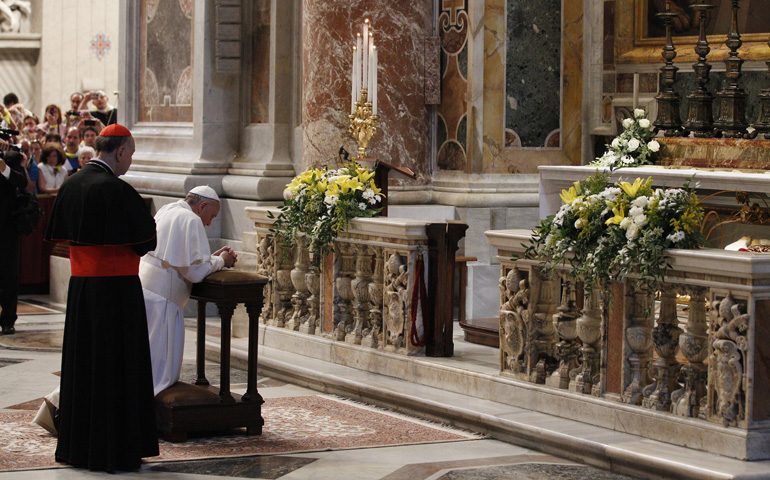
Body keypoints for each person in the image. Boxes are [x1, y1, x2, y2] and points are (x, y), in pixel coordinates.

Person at [44, 123, 159, 471]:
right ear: (120, 151)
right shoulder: (118, 190)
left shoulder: (71, 183)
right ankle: (113, 450)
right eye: (132, 154)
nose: (131, 161)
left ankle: (78, 447)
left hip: (81, 292)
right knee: (115, 370)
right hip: (117, 293)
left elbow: (60, 238)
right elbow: (146, 241)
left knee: (84, 368)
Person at [140, 186, 237, 395]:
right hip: (163, 303)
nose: (209, 223)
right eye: (210, 216)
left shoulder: (168, 209)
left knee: (141, 358)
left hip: (146, 293)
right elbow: (194, 272)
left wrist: (210, 257)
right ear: (202, 206)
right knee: (159, 369)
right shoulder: (191, 220)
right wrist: (222, 260)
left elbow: (180, 258)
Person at [0, 139, 31, 335]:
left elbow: (23, 183)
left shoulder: (11, 158)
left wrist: (4, 169)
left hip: (7, 227)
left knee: (9, 275)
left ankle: (8, 320)